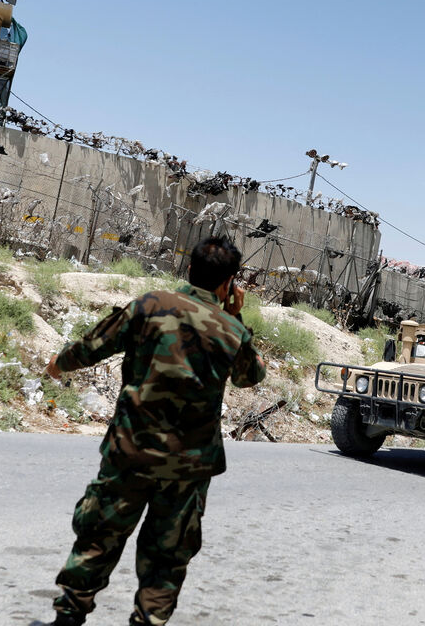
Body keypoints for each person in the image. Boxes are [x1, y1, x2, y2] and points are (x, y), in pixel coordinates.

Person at [43, 236, 267, 626]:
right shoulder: (231, 330)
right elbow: (251, 377)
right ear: (228, 283)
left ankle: (70, 613)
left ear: (190, 270)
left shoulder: (150, 305)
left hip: (131, 452)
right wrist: (236, 315)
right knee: (168, 555)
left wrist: (58, 365)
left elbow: (95, 344)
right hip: (189, 467)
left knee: (99, 535)